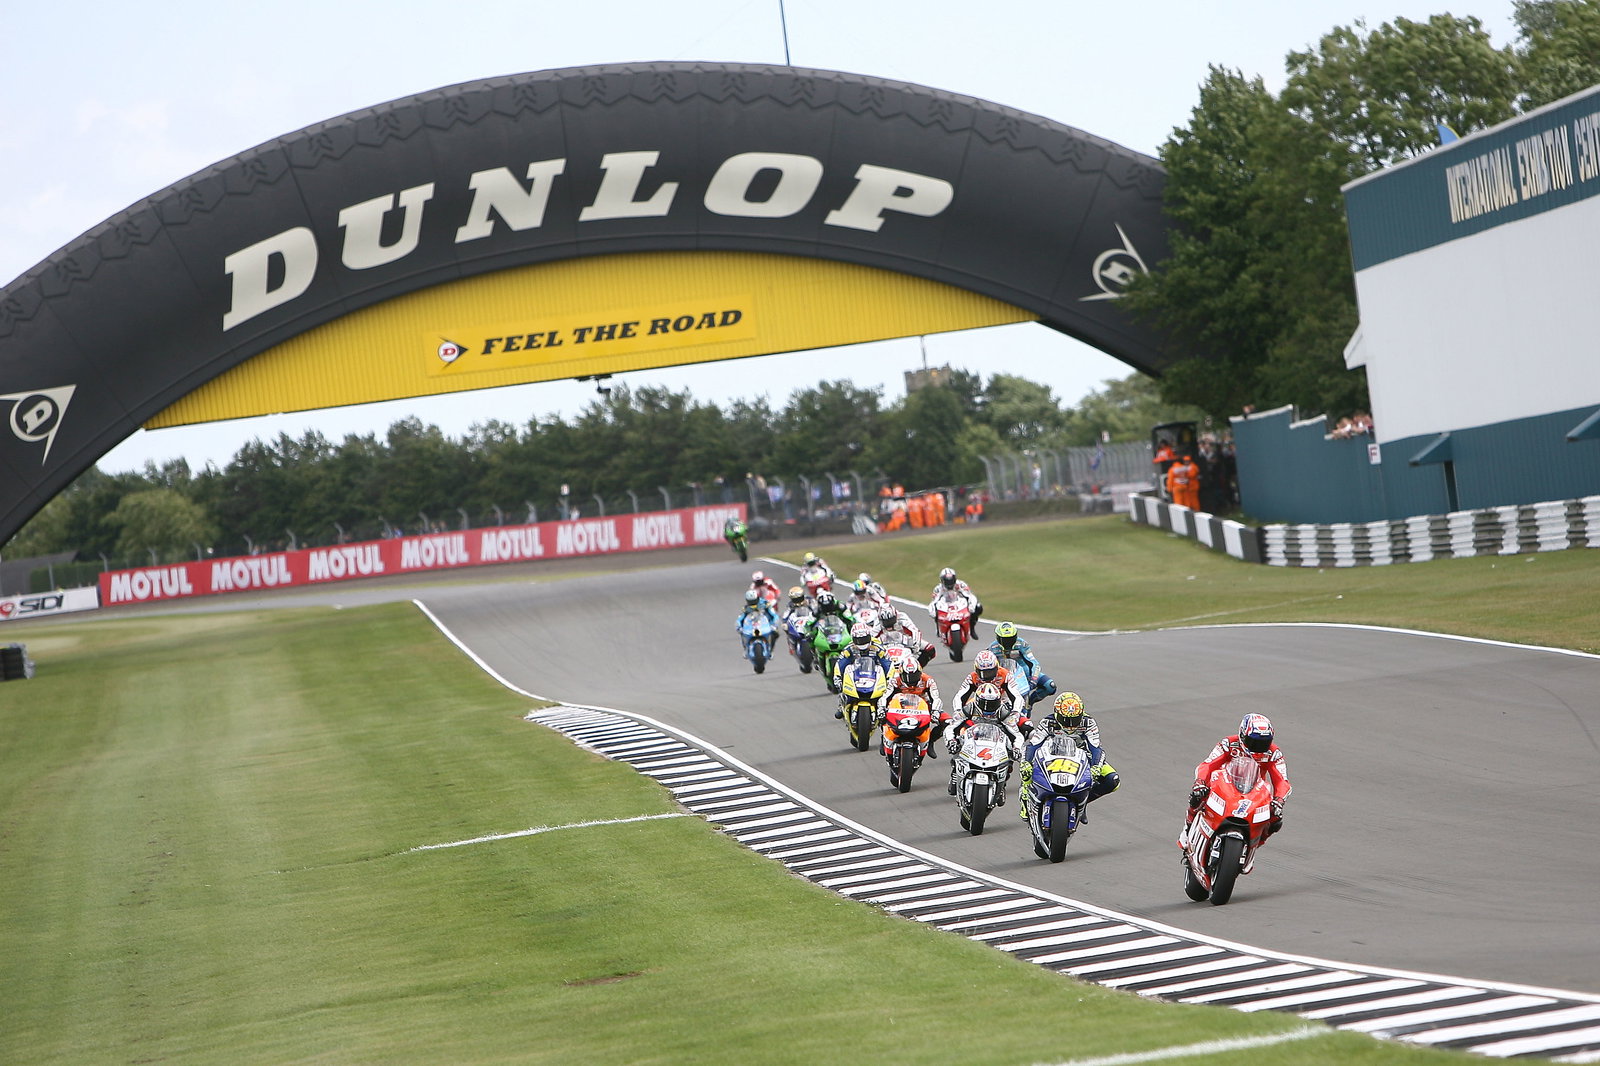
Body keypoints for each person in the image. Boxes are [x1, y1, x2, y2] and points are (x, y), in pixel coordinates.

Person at [1183, 713, 1291, 867]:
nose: (1257, 747)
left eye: (1263, 743)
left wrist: (1279, 800)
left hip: (1255, 793)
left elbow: (1282, 781)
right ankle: (1187, 832)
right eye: (1253, 741)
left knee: (1276, 819)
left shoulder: (1274, 753)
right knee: (1197, 796)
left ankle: (1252, 845)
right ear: (1242, 734)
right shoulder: (1229, 743)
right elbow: (1207, 765)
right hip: (1225, 786)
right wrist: (1200, 783)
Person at [1023, 692, 1119, 821]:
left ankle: (1082, 802)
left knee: (1113, 781)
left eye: (1075, 719)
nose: (1070, 724)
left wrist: (1096, 767)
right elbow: (1033, 745)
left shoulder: (1088, 723)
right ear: (1057, 714)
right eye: (1066, 720)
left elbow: (1097, 749)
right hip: (1051, 757)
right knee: (1026, 770)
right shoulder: (1047, 722)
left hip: (1082, 758)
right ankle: (1025, 798)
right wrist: (1027, 762)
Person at [945, 682, 1023, 803]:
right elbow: (951, 726)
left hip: (996, 739)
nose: (987, 707)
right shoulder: (970, 707)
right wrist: (950, 741)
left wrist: (1017, 748)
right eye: (984, 703)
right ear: (977, 700)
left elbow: (1016, 734)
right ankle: (955, 773)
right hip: (974, 736)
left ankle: (1002, 785)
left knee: (1010, 755)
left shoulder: (1003, 711)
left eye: (992, 703)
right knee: (958, 742)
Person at [951, 651, 1029, 736]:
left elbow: (1017, 696)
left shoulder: (1005, 674)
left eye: (991, 672)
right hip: (978, 704)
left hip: (1002, 703)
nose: (987, 676)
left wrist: (1015, 713)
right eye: (983, 673)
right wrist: (958, 711)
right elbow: (959, 696)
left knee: (1026, 726)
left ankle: (1017, 746)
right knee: (956, 726)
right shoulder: (972, 677)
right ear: (976, 669)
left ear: (997, 667)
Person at [831, 621, 895, 718]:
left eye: (865, 639)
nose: (862, 643)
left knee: (890, 691)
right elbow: (840, 664)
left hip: (873, 675)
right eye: (859, 640)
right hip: (855, 676)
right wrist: (837, 677)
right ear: (853, 639)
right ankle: (842, 704)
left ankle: (884, 707)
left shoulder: (878, 648)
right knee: (842, 685)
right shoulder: (849, 649)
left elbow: (888, 663)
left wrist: (889, 678)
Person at [987, 620, 1055, 707]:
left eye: (1010, 638)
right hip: (1004, 676)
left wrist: (1034, 679)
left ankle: (1030, 702)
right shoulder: (993, 647)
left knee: (1050, 686)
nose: (1008, 642)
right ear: (998, 637)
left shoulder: (1022, 644)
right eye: (1005, 639)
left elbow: (1034, 663)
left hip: (1025, 673)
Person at [889, 658, 948, 754]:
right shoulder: (895, 681)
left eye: (914, 676)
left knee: (948, 722)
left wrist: (935, 711)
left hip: (923, 706)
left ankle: (930, 741)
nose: (910, 681)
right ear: (900, 674)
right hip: (900, 706)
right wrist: (882, 708)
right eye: (906, 676)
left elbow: (936, 698)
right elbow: (885, 697)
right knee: (882, 714)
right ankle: (885, 737)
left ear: (920, 672)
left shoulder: (928, 680)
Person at [733, 588, 779, 658]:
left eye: (754, 601)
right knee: (742, 633)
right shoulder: (746, 608)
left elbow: (773, 615)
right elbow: (740, 618)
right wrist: (738, 626)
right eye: (751, 602)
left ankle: (771, 650)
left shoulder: (765, 604)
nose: (753, 604)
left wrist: (774, 624)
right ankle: (746, 649)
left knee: (775, 633)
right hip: (752, 625)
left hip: (766, 624)